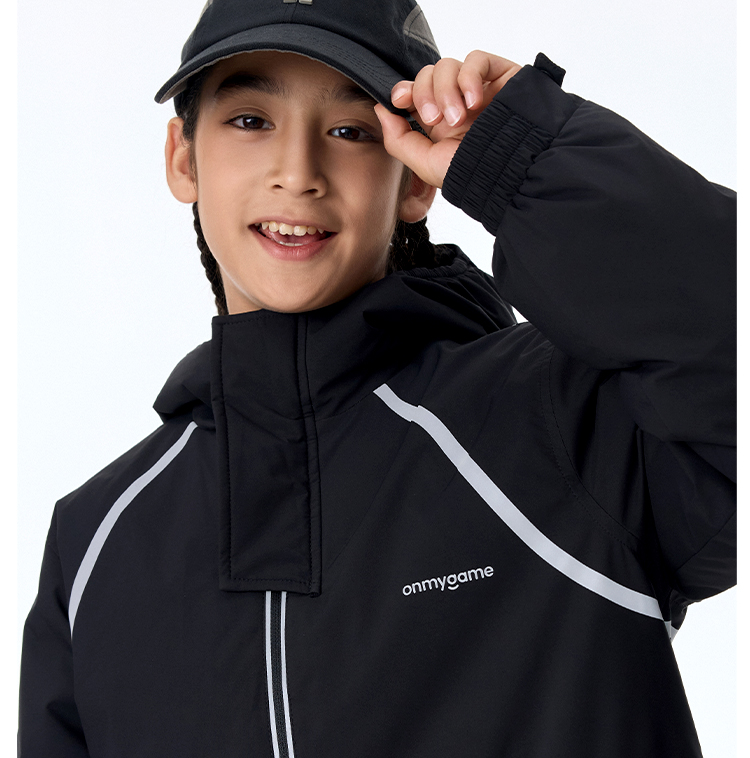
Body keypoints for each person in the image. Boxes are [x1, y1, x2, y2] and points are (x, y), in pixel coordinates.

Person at [18, 0, 736, 756]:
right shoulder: (95, 542)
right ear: (184, 159)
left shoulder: (569, 426)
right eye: (251, 121)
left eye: (351, 131)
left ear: (416, 181)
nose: (298, 174)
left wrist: (524, 157)